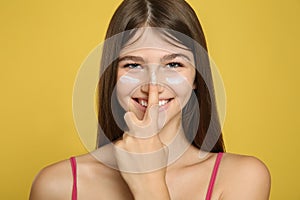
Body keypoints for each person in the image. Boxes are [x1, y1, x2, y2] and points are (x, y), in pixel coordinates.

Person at [29, 0, 271, 199]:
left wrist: (149, 183)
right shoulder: (56, 185)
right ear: (113, 76)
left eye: (174, 64)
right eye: (133, 65)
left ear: (197, 77)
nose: (153, 85)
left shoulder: (242, 178)